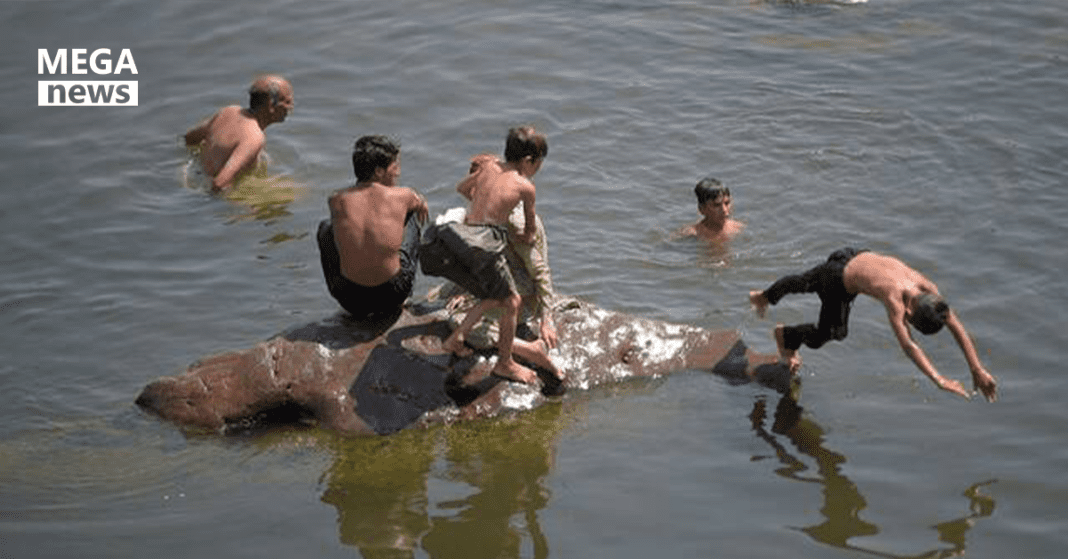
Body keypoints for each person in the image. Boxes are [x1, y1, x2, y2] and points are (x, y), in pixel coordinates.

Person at [748, 248, 997, 401]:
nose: (906, 321)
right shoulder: (895, 299)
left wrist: (976, 369)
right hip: (838, 280)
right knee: (834, 331)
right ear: (909, 311)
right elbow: (909, 346)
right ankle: (786, 336)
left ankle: (764, 297)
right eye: (909, 320)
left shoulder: (929, 291)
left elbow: (955, 325)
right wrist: (938, 379)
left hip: (851, 254)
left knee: (805, 281)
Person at [421, 127, 548, 385]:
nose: (538, 168)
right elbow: (529, 234)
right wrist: (516, 232)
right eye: (539, 163)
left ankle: (455, 339)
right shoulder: (526, 187)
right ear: (528, 161)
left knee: (492, 297)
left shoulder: (488, 166)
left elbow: (462, 188)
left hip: (461, 239)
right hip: (485, 247)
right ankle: (505, 364)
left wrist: (486, 199)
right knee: (511, 302)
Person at [317, 135, 428, 322]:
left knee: (326, 226)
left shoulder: (335, 200)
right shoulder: (403, 195)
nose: (398, 173)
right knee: (409, 215)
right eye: (395, 167)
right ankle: (406, 297)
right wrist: (420, 204)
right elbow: (420, 204)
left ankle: (344, 289)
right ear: (379, 171)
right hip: (393, 296)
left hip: (351, 300)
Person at [184, 75, 295, 191]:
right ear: (271, 105)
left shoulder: (229, 111)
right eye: (288, 102)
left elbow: (189, 138)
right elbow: (219, 184)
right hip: (206, 192)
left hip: (196, 174)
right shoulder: (254, 137)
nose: (290, 107)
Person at [677, 177, 744, 242]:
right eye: (716, 205)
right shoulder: (692, 233)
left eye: (726, 203)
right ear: (702, 209)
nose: (724, 210)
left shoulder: (737, 228)